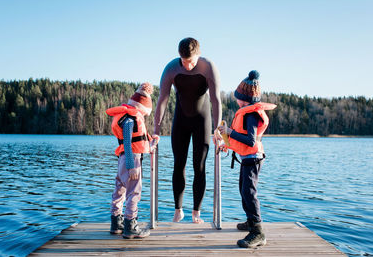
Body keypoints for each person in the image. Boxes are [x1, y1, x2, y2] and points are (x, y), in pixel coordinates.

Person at [153, 37, 222, 223]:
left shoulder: (208, 67)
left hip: (202, 120)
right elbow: (162, 100)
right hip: (181, 120)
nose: (187, 66)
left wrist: (218, 130)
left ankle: (196, 213)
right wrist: (156, 130)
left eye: (190, 61)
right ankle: (178, 210)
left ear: (198, 55)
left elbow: (216, 99)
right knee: (179, 164)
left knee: (199, 166)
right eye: (183, 61)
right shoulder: (171, 69)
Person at [217, 70, 276, 248]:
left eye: (237, 97)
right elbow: (240, 139)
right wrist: (226, 144)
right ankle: (251, 222)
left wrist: (229, 132)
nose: (236, 100)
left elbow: (250, 141)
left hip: (253, 158)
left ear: (243, 99)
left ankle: (258, 232)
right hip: (247, 158)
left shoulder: (250, 114)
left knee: (249, 192)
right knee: (243, 190)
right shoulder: (246, 112)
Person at [106, 82, 160, 239]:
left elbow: (137, 142)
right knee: (134, 192)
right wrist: (133, 166)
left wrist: (152, 143)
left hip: (122, 159)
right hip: (131, 159)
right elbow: (129, 143)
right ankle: (131, 225)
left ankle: (116, 223)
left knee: (120, 190)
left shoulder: (126, 117)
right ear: (142, 108)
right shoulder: (131, 119)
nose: (144, 117)